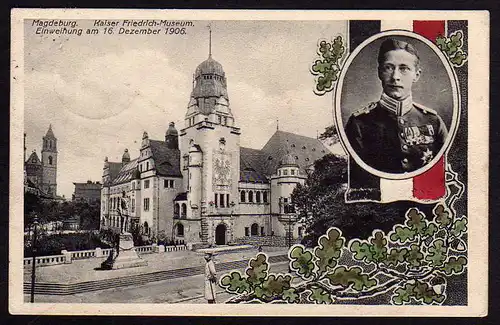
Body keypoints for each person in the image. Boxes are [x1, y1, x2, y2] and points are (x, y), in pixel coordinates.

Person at [345, 38, 448, 174]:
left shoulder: (434, 121)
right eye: (388, 68)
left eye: (404, 69)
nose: (395, 77)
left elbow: (444, 171)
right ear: (379, 73)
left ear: (416, 75)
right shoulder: (358, 123)